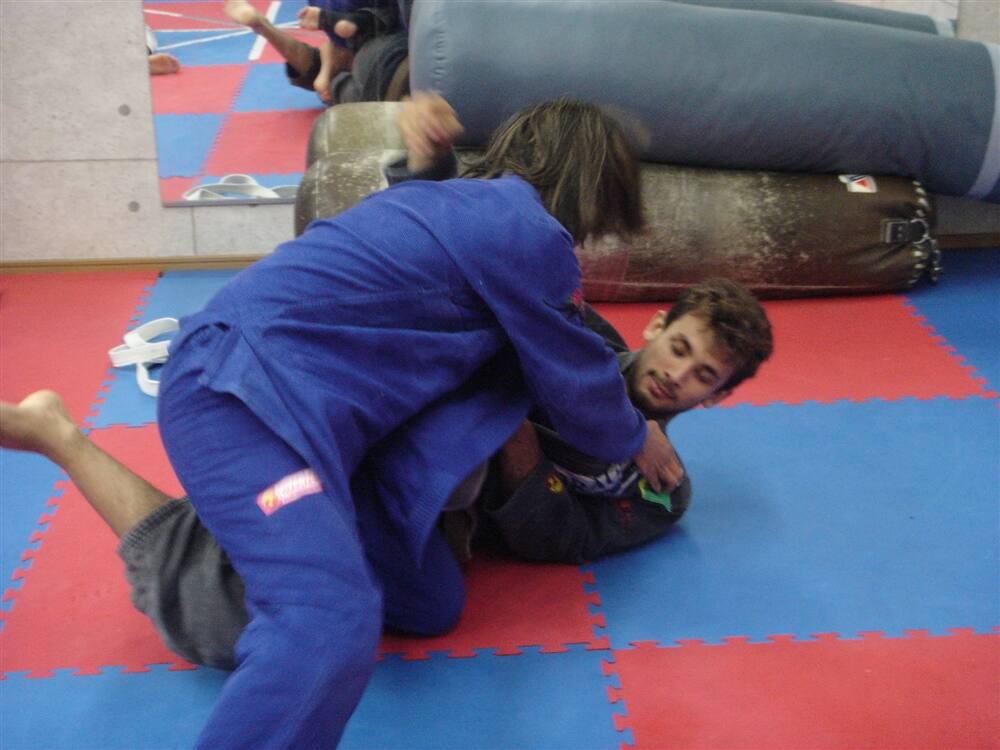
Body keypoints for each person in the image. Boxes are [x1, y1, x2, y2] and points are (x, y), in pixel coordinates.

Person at [68, 89, 672, 747]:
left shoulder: (454, 205)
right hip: (241, 403)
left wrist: (428, 162)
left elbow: (418, 261)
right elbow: (580, 388)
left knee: (431, 601)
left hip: (302, 420)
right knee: (328, 618)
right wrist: (636, 435)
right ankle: (94, 467)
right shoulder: (530, 234)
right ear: (593, 187)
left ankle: (305, 542)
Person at [0, 281, 771, 665]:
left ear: (717, 397)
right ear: (656, 325)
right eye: (679, 349)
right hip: (366, 425)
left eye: (703, 376)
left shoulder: (663, 489)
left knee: (258, 616)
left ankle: (60, 436)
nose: (677, 375)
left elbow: (556, 538)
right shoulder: (572, 339)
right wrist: (614, 419)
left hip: (427, 513)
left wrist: (524, 435)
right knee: (245, 604)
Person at [223, 0, 409, 104]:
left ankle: (265, 28)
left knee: (329, 83)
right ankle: (263, 26)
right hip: (380, 61)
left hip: (384, 53)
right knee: (333, 86)